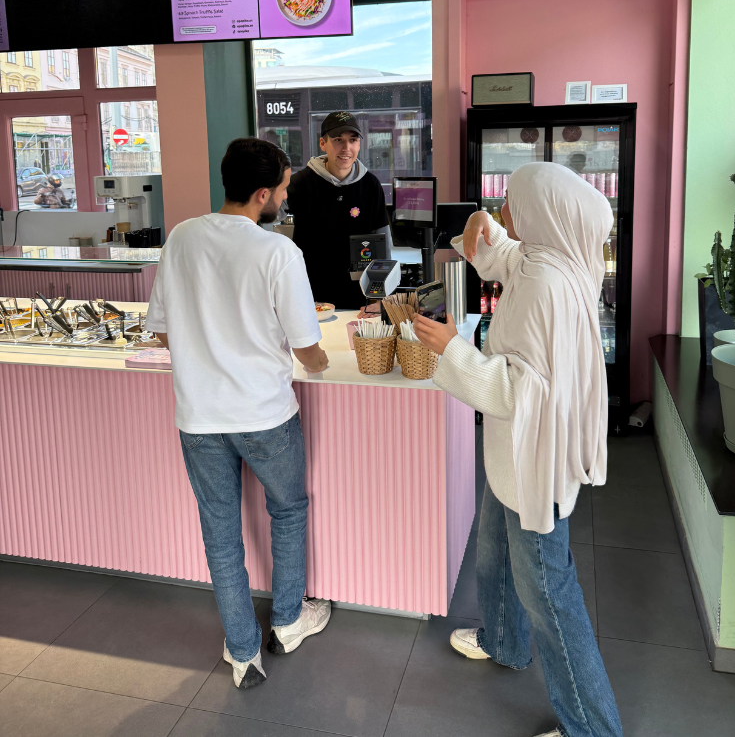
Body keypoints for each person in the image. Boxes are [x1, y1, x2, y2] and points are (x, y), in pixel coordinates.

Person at [413, 162, 623, 737]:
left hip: (533, 462)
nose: (506, 209)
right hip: (518, 457)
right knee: (493, 554)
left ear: (544, 215)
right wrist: (483, 227)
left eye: (511, 202)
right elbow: (507, 257)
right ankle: (503, 640)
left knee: (551, 597)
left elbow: (516, 390)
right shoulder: (555, 259)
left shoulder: (548, 288)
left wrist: (451, 349)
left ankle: (595, 729)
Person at [146, 138, 332, 690]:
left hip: (199, 417)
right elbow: (308, 350)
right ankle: (289, 620)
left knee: (220, 532)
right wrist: (321, 357)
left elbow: (160, 331)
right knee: (289, 510)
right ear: (260, 194)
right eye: (283, 188)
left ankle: (242, 653)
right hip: (265, 415)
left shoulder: (181, 237)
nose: (286, 195)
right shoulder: (277, 252)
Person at [286, 111, 389, 309]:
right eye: (338, 140)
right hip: (310, 295)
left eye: (353, 140)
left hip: (359, 297)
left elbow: (383, 241)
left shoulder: (370, 185)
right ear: (323, 144)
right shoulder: (301, 183)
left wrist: (380, 296)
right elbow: (274, 223)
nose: (347, 148)